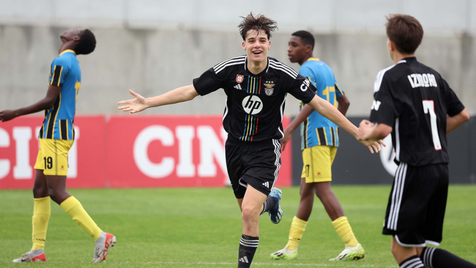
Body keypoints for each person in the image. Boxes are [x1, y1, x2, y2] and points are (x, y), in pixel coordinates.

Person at [118, 13, 380, 268]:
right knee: (247, 209)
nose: (257, 45)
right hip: (234, 148)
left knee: (248, 214)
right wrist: (148, 102)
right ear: (244, 44)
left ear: (268, 44)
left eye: (262, 40)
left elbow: (320, 104)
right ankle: (271, 200)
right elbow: (190, 91)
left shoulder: (282, 74)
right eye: (252, 40)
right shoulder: (229, 70)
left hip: (266, 149)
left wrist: (356, 132)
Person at [358, 14, 474, 268]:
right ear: (417, 42)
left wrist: (366, 131)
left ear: (390, 44)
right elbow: (463, 114)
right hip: (440, 167)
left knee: (401, 251)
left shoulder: (390, 76)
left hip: (414, 167)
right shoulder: (433, 75)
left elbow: (383, 128)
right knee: (419, 250)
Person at [0, 28, 116, 263]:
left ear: (75, 39)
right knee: (40, 190)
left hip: (56, 133)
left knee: (56, 190)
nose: (69, 28)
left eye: (75, 30)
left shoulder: (62, 61)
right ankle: (37, 250)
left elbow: (49, 99)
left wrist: (15, 112)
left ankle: (100, 235)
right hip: (52, 132)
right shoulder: (70, 62)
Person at [271, 30, 365, 261]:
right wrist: (333, 124)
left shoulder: (306, 70)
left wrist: (290, 130)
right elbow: (344, 101)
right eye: (289, 44)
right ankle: (291, 248)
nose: (289, 49)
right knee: (306, 191)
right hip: (330, 136)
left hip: (315, 138)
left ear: (308, 49)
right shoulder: (326, 68)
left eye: (294, 45)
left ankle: (352, 244)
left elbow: (312, 102)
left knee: (322, 189)